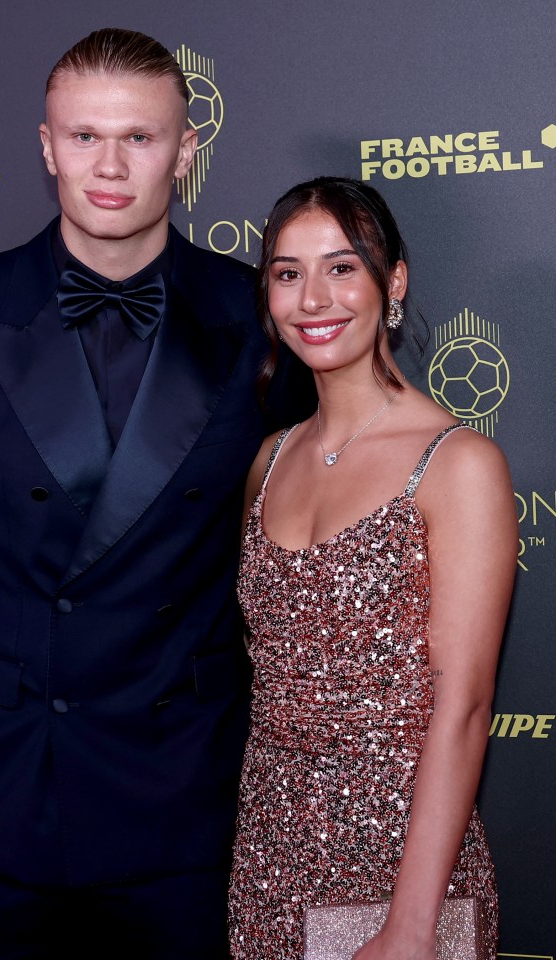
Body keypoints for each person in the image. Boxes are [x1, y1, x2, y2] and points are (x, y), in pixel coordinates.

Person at [0, 28, 312, 959]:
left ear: (185, 149)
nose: (109, 165)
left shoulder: (265, 318)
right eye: (85, 136)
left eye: (139, 138)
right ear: (46, 144)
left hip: (186, 799)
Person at [228, 177, 518, 960]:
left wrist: (411, 925)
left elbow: (464, 704)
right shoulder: (269, 459)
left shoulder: (458, 464)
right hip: (268, 861)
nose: (313, 298)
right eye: (287, 273)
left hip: (402, 871)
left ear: (393, 282)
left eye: (341, 267)